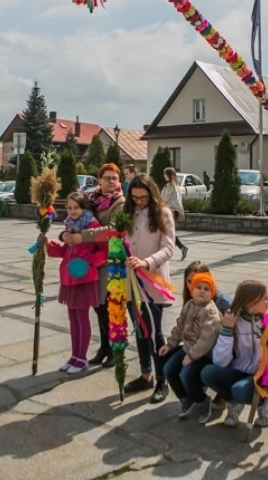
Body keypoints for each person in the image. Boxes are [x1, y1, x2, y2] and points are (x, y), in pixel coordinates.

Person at [64, 163, 126, 369]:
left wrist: (82, 236)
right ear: (99, 180)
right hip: (91, 260)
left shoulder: (120, 203)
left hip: (111, 260)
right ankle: (104, 347)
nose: (111, 181)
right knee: (98, 306)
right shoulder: (92, 200)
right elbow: (75, 218)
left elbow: (113, 229)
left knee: (110, 306)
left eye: (114, 178)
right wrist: (64, 235)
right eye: (107, 178)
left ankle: (115, 350)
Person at [121, 174, 175, 402]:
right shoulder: (127, 212)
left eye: (143, 198)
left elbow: (168, 248)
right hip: (130, 282)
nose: (139, 202)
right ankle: (146, 375)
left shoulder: (163, 213)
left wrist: (146, 262)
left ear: (152, 195)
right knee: (139, 329)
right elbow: (119, 237)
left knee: (154, 332)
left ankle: (162, 380)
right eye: (135, 198)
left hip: (152, 283)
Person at [44, 192, 108, 375]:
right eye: (70, 208)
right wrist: (48, 244)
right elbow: (65, 251)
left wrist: (89, 263)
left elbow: (105, 250)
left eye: (76, 208)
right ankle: (74, 355)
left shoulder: (92, 226)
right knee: (72, 318)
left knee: (81, 317)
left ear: (84, 208)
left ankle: (82, 358)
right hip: (70, 277)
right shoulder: (70, 226)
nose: (72, 211)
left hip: (84, 278)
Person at [200, 280, 268, 427]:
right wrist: (227, 330)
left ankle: (264, 401)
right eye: (264, 298)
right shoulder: (234, 320)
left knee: (239, 390)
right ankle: (234, 403)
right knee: (208, 373)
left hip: (260, 375)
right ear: (251, 301)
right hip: (238, 371)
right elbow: (220, 361)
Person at [159, 270, 222, 422]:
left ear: (212, 293)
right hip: (188, 348)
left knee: (186, 374)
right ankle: (186, 399)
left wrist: (192, 355)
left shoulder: (211, 313)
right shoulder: (189, 305)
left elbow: (206, 339)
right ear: (192, 290)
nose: (202, 291)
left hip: (204, 353)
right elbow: (180, 326)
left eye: (207, 289)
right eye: (198, 287)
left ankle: (202, 401)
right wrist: (170, 344)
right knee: (168, 369)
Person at [183, 260, 231, 411]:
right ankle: (192, 395)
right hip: (197, 346)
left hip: (217, 350)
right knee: (171, 362)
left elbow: (228, 336)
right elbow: (183, 326)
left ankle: (222, 392)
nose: (194, 285)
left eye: (202, 283)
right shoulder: (191, 300)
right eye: (189, 281)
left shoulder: (223, 302)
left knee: (194, 371)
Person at [161, 167, 189, 260]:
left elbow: (165, 199)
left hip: (171, 211)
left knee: (167, 231)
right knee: (167, 231)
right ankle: (182, 247)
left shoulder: (172, 186)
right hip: (169, 210)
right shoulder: (170, 186)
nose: (164, 176)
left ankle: (179, 248)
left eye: (165, 174)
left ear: (169, 175)